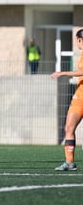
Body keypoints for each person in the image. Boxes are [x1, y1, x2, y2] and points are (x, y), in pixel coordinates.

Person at [51, 29, 83, 171]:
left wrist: (63, 73)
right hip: (80, 95)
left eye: (76, 40)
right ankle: (69, 162)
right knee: (69, 127)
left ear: (79, 40)